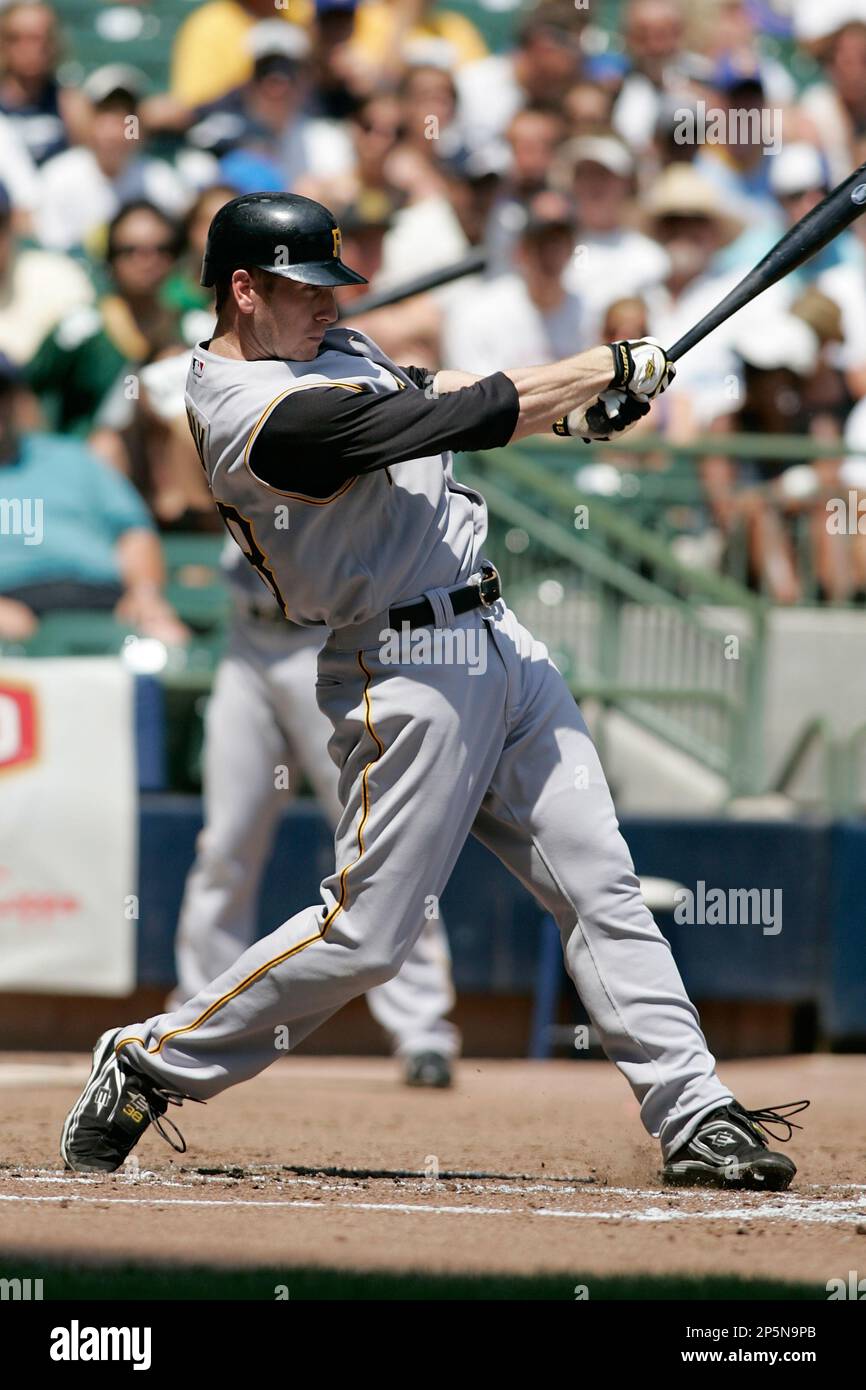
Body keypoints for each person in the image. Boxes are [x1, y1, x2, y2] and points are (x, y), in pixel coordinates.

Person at [59, 192, 808, 1190]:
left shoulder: (330, 348)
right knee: (366, 937)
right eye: (302, 289)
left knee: (599, 881)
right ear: (241, 290)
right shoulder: (250, 415)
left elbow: (440, 382)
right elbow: (449, 414)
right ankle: (153, 1057)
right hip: (399, 668)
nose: (327, 305)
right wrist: (596, 366)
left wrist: (580, 408)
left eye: (332, 286)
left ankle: (693, 1111)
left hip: (497, 638)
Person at [171, 537, 459, 1087]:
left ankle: (423, 1031)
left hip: (324, 641)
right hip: (247, 641)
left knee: (381, 844)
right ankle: (194, 1017)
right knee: (225, 844)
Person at [0, 355, 187, 646]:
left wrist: (144, 595)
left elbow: (133, 533)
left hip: (102, 601)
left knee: (168, 640)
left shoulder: (73, 458)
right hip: (12, 606)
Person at [26, 200, 185, 435]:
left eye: (161, 249)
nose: (148, 261)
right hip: (90, 458)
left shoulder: (193, 328)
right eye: (131, 251)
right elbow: (29, 392)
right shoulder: (79, 330)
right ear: (110, 258)